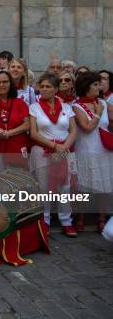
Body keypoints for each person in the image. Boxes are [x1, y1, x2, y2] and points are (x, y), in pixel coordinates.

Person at [29, 73, 78, 237]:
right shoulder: (34, 107)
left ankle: (66, 221)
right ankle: (45, 220)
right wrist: (54, 146)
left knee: (65, 187)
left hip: (64, 151)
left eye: (48, 86)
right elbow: (33, 133)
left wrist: (63, 148)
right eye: (41, 86)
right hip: (43, 150)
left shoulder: (67, 108)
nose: (44, 89)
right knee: (43, 187)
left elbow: (73, 131)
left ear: (56, 89)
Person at [72, 71, 113, 232]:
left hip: (103, 149)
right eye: (95, 84)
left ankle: (101, 218)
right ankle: (80, 217)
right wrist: (97, 114)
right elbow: (87, 127)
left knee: (103, 185)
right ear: (86, 86)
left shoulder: (103, 102)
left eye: (99, 84)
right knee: (84, 184)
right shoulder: (76, 105)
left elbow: (109, 124)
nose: (99, 87)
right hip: (85, 149)